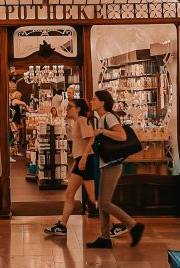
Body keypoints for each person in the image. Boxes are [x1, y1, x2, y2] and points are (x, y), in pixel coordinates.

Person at [86, 89, 144, 249]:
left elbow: (122, 136)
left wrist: (102, 131)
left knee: (104, 202)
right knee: (102, 202)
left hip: (112, 165)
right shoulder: (101, 118)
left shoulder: (109, 117)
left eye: (94, 99)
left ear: (102, 102)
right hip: (106, 164)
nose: (91, 101)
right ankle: (104, 237)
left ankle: (133, 225)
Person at [44, 99, 97, 237]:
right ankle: (62, 225)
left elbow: (91, 139)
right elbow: (80, 148)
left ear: (78, 109)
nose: (67, 109)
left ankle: (118, 222)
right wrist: (75, 164)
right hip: (81, 162)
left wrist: (83, 158)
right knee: (70, 194)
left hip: (86, 161)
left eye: (69, 107)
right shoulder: (77, 122)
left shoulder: (81, 120)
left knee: (93, 197)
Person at [9, 90, 27, 158]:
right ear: (17, 96)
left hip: (16, 121)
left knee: (16, 137)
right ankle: (14, 152)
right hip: (14, 121)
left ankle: (15, 152)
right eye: (20, 97)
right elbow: (24, 103)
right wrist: (26, 107)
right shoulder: (14, 100)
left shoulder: (14, 101)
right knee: (15, 136)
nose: (20, 98)